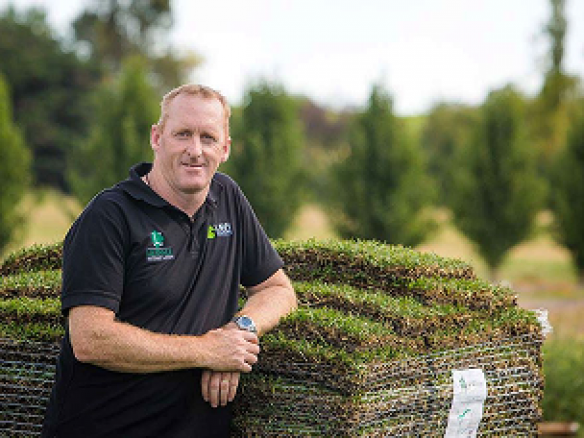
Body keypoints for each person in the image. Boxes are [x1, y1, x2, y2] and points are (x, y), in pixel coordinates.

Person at [42, 84, 297, 438]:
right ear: (157, 137)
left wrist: (237, 333)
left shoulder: (229, 199)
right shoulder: (110, 216)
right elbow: (89, 338)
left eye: (208, 138)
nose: (195, 150)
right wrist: (207, 351)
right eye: (182, 134)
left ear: (224, 148)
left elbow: (277, 289)